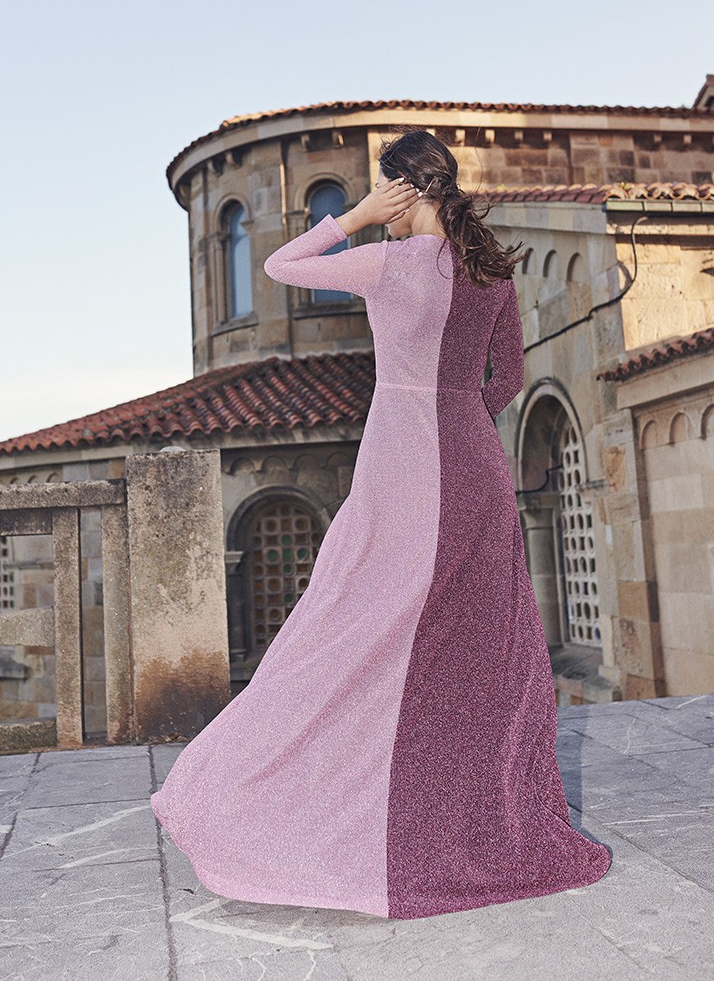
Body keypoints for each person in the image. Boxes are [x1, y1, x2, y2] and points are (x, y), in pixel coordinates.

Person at [149, 129, 613, 920]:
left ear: (404, 188)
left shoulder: (387, 262)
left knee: (346, 625)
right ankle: (474, 819)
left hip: (403, 463)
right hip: (474, 462)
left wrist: (354, 216)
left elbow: (280, 265)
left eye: (383, 189)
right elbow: (509, 379)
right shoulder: (490, 270)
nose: (380, 204)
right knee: (478, 651)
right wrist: (458, 417)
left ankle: (302, 797)